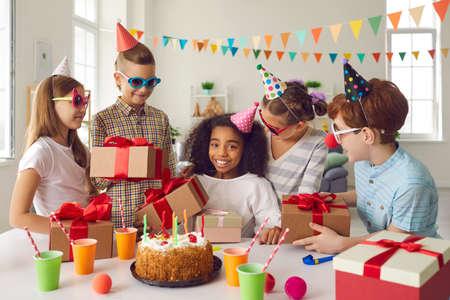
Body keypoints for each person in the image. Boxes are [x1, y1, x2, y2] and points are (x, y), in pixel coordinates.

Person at [293, 60, 440, 254]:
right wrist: (331, 198)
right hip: (382, 254)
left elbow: (396, 238)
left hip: (416, 261)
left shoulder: (411, 184)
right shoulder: (364, 161)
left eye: (340, 133)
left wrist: (342, 244)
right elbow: (368, 195)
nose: (334, 141)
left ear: (367, 135)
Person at [90, 22, 176, 229]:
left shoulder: (160, 119)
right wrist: (125, 162)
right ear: (118, 79)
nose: (144, 89)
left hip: (155, 220)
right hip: (119, 221)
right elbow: (97, 182)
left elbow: (170, 171)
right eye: (136, 82)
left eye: (151, 82)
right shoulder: (102, 120)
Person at [9, 57, 96, 233]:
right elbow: (17, 217)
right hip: (57, 242)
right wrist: (71, 229)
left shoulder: (80, 150)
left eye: (84, 101)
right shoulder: (41, 152)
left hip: (84, 237)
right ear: (51, 103)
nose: (83, 109)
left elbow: (89, 192)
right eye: (76, 101)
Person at [183, 104, 282, 244]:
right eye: (215, 145)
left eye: (232, 146)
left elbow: (269, 223)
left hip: (239, 254)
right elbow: (180, 225)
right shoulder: (195, 181)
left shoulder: (256, 185)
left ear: (246, 149)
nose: (222, 153)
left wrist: (273, 230)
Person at [257, 64, 329, 203]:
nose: (266, 130)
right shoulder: (261, 135)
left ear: (299, 126)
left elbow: (307, 192)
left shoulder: (317, 142)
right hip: (257, 216)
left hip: (290, 217)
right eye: (263, 121)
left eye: (273, 128)